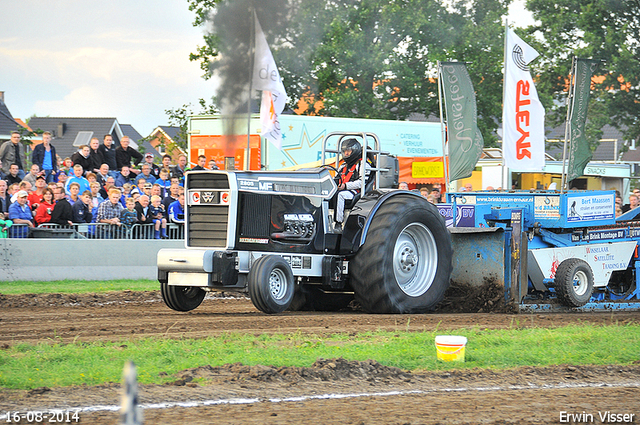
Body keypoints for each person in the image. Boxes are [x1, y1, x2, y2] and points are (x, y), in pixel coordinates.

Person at [332, 138, 370, 232]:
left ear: (355, 151)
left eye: (348, 151)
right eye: (344, 151)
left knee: (340, 195)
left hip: (354, 192)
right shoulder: (343, 165)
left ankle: (338, 224)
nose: (346, 154)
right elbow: (336, 179)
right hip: (342, 189)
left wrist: (346, 186)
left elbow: (362, 183)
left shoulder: (363, 164)